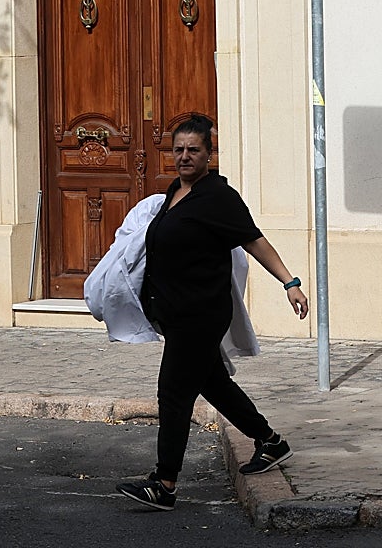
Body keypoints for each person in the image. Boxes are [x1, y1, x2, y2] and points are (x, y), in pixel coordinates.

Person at [116, 113, 309, 511]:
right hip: (175, 313)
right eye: (179, 149)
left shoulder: (218, 196)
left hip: (200, 315)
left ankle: (164, 483)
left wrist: (290, 283)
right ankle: (271, 442)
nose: (185, 157)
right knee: (213, 384)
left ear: (208, 153)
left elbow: (254, 241)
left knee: (173, 394)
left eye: (194, 150)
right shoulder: (175, 191)